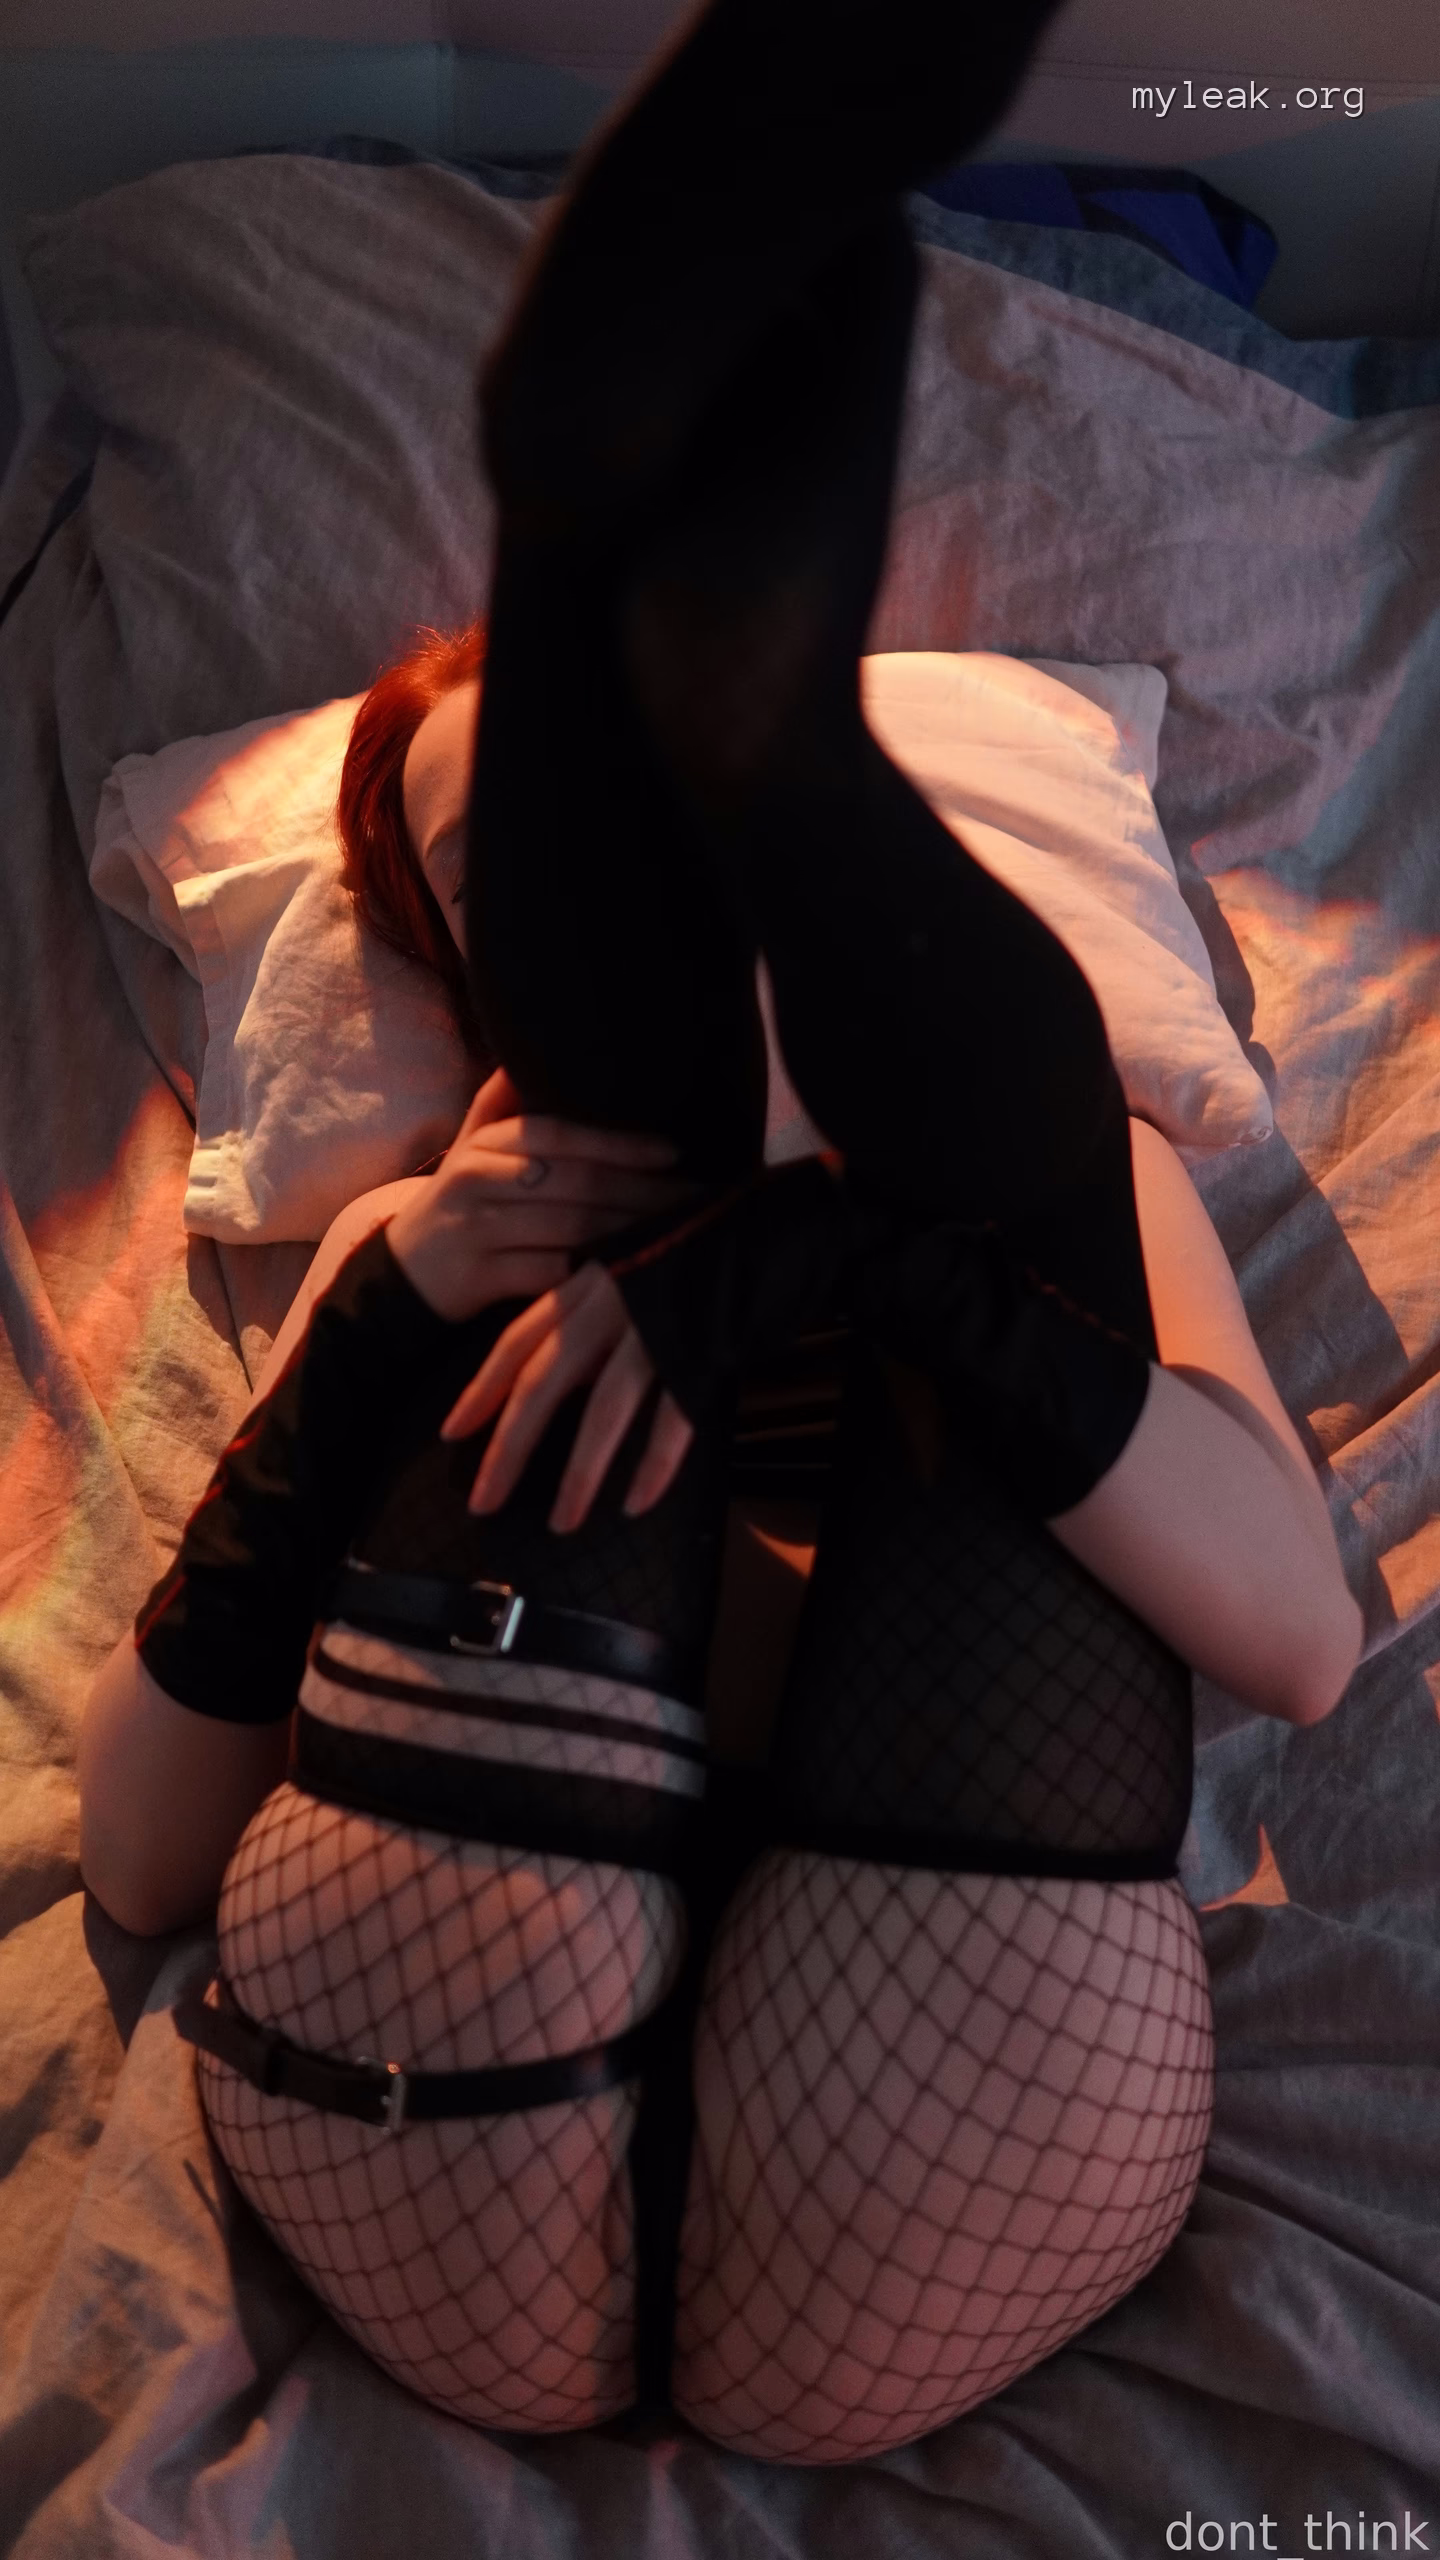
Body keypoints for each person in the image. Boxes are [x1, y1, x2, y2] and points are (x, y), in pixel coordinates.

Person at [78, 0, 1364, 2464]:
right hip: (446, 2080)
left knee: (994, 1195)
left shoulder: (1049, 1174)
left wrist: (835, 1260)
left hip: (929, 2100)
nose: (601, 898)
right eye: (525, 865)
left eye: (646, 834)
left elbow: (1299, 1643)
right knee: (637, 1203)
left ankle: (732, 694)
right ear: (463, 963)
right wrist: (390, 1327)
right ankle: (693, 665)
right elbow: (141, 1851)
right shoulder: (406, 1258)